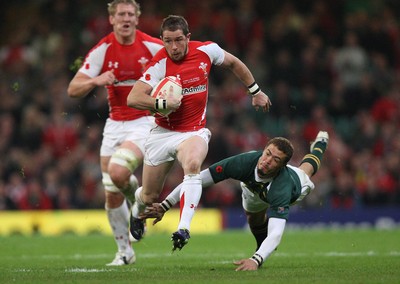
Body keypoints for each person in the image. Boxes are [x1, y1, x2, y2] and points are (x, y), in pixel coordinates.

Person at [126, 15, 272, 250]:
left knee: (193, 164)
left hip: (193, 131)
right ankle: (137, 207)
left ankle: (183, 228)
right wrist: (162, 105)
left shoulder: (207, 51)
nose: (173, 47)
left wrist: (255, 91)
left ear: (188, 37)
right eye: (167, 41)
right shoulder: (159, 63)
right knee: (150, 197)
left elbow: (234, 63)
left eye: (178, 40)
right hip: (162, 133)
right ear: (162, 41)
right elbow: (133, 97)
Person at [141, 131, 329, 270]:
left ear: (282, 166)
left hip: (290, 191)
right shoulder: (245, 162)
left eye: (275, 160)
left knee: (307, 170)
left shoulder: (283, 186)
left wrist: (256, 261)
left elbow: (277, 234)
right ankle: (261, 247)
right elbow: (195, 179)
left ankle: (320, 144)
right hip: (252, 189)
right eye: (268, 153)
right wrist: (166, 204)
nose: (267, 160)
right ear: (263, 150)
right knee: (253, 218)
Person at [67, 0, 163, 266]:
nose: (126, 18)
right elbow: (73, 89)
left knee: (119, 172)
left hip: (144, 122)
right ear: (111, 19)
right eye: (121, 14)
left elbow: (176, 69)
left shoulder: (153, 46)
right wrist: (97, 80)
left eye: (131, 14)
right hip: (114, 125)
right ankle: (125, 251)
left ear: (137, 18)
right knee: (111, 193)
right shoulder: (103, 49)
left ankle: (137, 201)